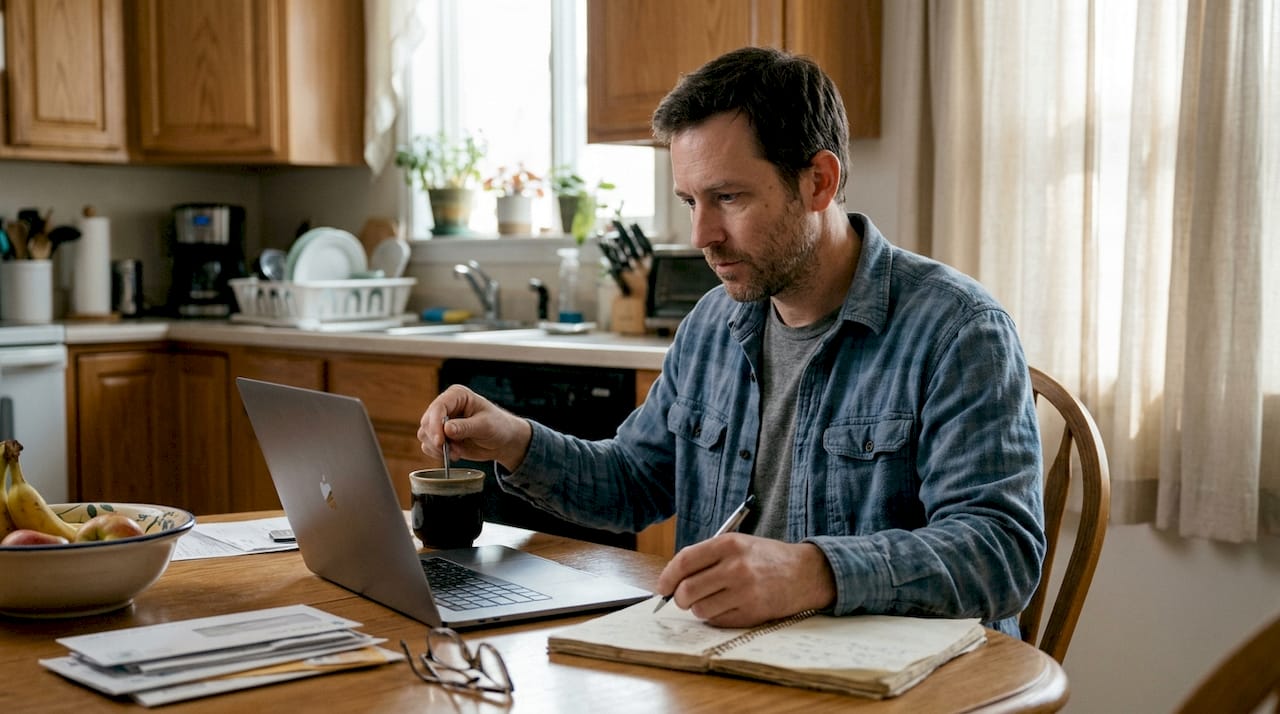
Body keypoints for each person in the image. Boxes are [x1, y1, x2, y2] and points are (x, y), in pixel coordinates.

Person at [419, 46, 1045, 635]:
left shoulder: (959, 328)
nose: (702, 234)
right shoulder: (713, 324)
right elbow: (635, 482)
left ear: (818, 182)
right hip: (732, 661)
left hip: (897, 685)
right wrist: (515, 441)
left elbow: (1001, 550)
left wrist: (814, 571)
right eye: (690, 200)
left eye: (728, 197)